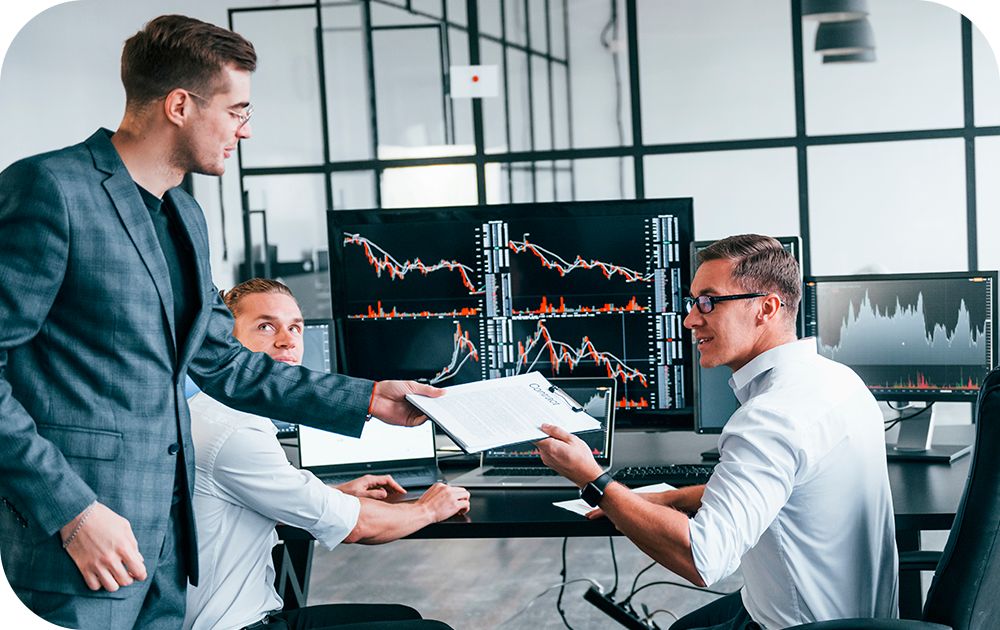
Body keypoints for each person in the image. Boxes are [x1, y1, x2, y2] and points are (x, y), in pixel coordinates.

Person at [0, 15, 440, 629]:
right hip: (81, 540)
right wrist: (72, 512)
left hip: (170, 548)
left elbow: (220, 360)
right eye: (237, 111)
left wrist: (369, 399)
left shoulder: (184, 210)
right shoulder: (49, 188)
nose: (247, 130)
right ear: (180, 104)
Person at [536, 234, 898, 630]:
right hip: (856, 613)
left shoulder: (769, 417)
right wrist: (674, 498)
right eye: (693, 302)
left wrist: (593, 480)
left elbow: (703, 559)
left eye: (709, 301)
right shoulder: (838, 380)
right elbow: (784, 486)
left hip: (798, 625)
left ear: (766, 308)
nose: (691, 318)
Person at [183, 278, 468, 630]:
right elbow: (358, 528)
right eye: (265, 326)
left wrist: (334, 493)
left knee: (406, 618)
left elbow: (254, 501)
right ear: (225, 340)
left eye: (295, 328)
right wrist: (428, 508)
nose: (287, 340)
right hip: (236, 626)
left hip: (248, 614)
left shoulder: (211, 411)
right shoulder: (234, 431)